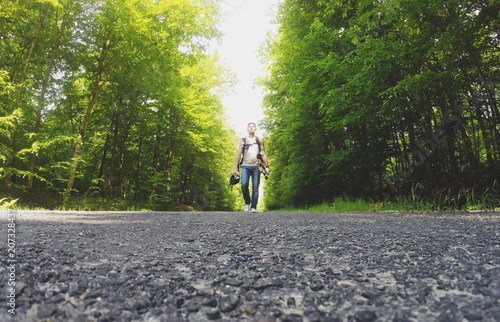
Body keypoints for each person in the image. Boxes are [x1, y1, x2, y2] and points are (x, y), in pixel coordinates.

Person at [233, 122, 269, 212]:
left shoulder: (259, 140)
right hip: (245, 166)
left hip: (256, 167)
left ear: (255, 129)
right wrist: (235, 167)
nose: (251, 128)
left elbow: (263, 153)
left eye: (253, 126)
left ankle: (253, 207)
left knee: (255, 187)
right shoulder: (243, 140)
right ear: (247, 129)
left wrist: (267, 166)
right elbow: (239, 154)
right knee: (244, 184)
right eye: (249, 126)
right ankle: (247, 203)